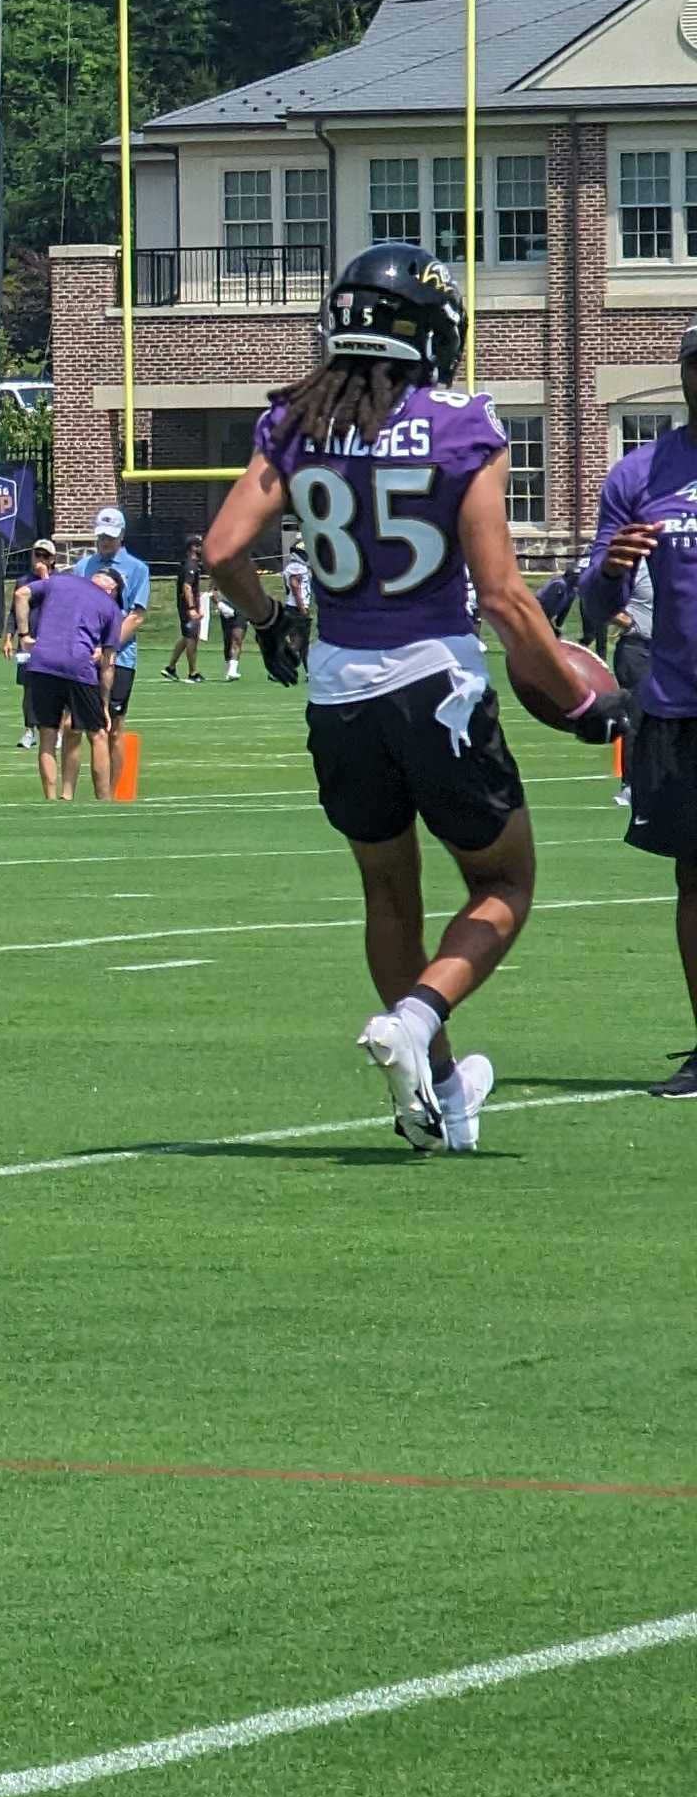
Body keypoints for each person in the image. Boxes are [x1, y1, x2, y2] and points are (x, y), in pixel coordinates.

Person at [198, 243, 615, 1150]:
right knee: (503, 883)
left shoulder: (295, 423)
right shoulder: (461, 422)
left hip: (337, 688)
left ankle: (437, 1098)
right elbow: (504, 595)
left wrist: (271, 622)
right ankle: (420, 1022)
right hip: (434, 679)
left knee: (389, 894)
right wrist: (581, 704)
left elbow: (224, 550)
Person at [580, 328, 697, 1100]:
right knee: (695, 878)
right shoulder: (641, 471)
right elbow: (595, 604)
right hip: (678, 706)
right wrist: (613, 570)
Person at [14, 537, 122, 802]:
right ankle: (104, 799)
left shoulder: (60, 581)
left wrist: (25, 635)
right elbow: (108, 662)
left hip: (41, 664)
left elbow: (21, 594)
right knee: (97, 734)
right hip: (78, 667)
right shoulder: (110, 607)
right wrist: (104, 704)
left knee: (48, 733)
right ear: (113, 590)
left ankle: (52, 799)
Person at [79, 506, 152, 792]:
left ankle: (116, 790)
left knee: (114, 725)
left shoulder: (137, 569)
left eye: (110, 536)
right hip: (84, 655)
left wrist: (107, 645)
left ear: (121, 535)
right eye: (101, 536)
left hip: (120, 657)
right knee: (86, 725)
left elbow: (136, 615)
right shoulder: (84, 566)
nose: (105, 542)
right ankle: (97, 788)